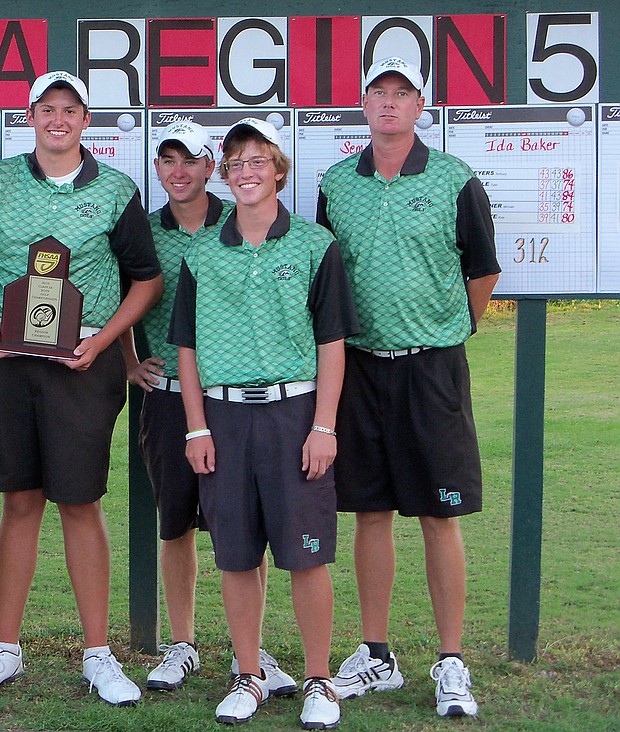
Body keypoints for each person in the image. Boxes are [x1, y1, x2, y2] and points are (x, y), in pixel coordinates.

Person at [0, 71, 161, 707]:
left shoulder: (117, 189)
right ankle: (4, 650)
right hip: (12, 362)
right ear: (31, 117)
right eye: (48, 109)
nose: (58, 120)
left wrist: (104, 344)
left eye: (71, 109)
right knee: (20, 502)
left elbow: (145, 281)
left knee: (79, 502)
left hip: (82, 361)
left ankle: (98, 654)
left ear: (86, 120)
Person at [317, 57, 500, 719]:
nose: (389, 104)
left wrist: (451, 329)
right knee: (369, 510)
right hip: (362, 366)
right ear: (364, 104)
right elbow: (331, 281)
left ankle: (451, 661)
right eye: (378, 93)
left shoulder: (454, 179)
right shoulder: (338, 183)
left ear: (421, 105)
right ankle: (376, 654)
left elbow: (482, 269)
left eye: (402, 93)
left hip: (432, 367)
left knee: (438, 512)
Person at [171, 118, 358, 728]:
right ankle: (248, 673)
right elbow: (187, 349)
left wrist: (324, 425)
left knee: (306, 555)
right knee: (235, 554)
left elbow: (333, 341)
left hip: (294, 413)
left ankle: (319, 680)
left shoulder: (312, 245)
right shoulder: (200, 253)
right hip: (223, 417)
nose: (246, 172)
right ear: (223, 176)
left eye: (258, 161)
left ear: (279, 170)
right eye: (235, 163)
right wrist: (196, 426)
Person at [123, 121, 296, 698]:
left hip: (233, 404)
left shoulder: (238, 220)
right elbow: (118, 294)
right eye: (166, 160)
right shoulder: (146, 232)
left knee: (245, 526)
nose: (178, 172)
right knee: (176, 524)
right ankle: (184, 641)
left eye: (190, 160)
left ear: (210, 168)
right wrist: (129, 359)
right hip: (169, 398)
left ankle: (251, 650)